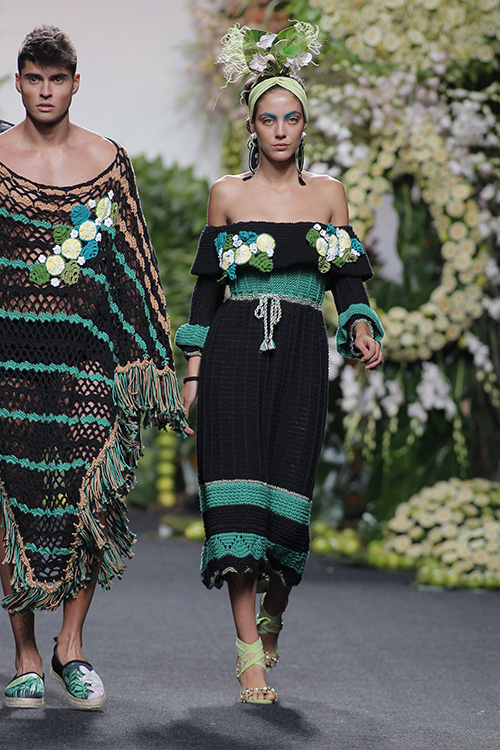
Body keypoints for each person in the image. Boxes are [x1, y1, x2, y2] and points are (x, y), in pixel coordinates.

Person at [176, 22, 384, 705]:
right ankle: (248, 657)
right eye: (269, 118)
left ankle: (273, 616)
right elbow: (206, 291)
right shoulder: (226, 196)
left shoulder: (328, 196)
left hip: (300, 350)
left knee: (287, 504)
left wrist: (358, 324)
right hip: (235, 349)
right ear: (253, 125)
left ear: (303, 125)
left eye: (291, 118)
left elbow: (347, 279)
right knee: (236, 501)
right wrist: (192, 372)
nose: (281, 129)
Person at [0, 26, 189, 710]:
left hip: (88, 359)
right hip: (9, 363)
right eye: (33, 78)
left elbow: (134, 266)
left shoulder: (109, 162)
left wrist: (150, 365)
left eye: (57, 79)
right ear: (17, 82)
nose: (45, 90)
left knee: (90, 496)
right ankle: (24, 654)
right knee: (13, 498)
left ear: (75, 83)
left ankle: (69, 646)